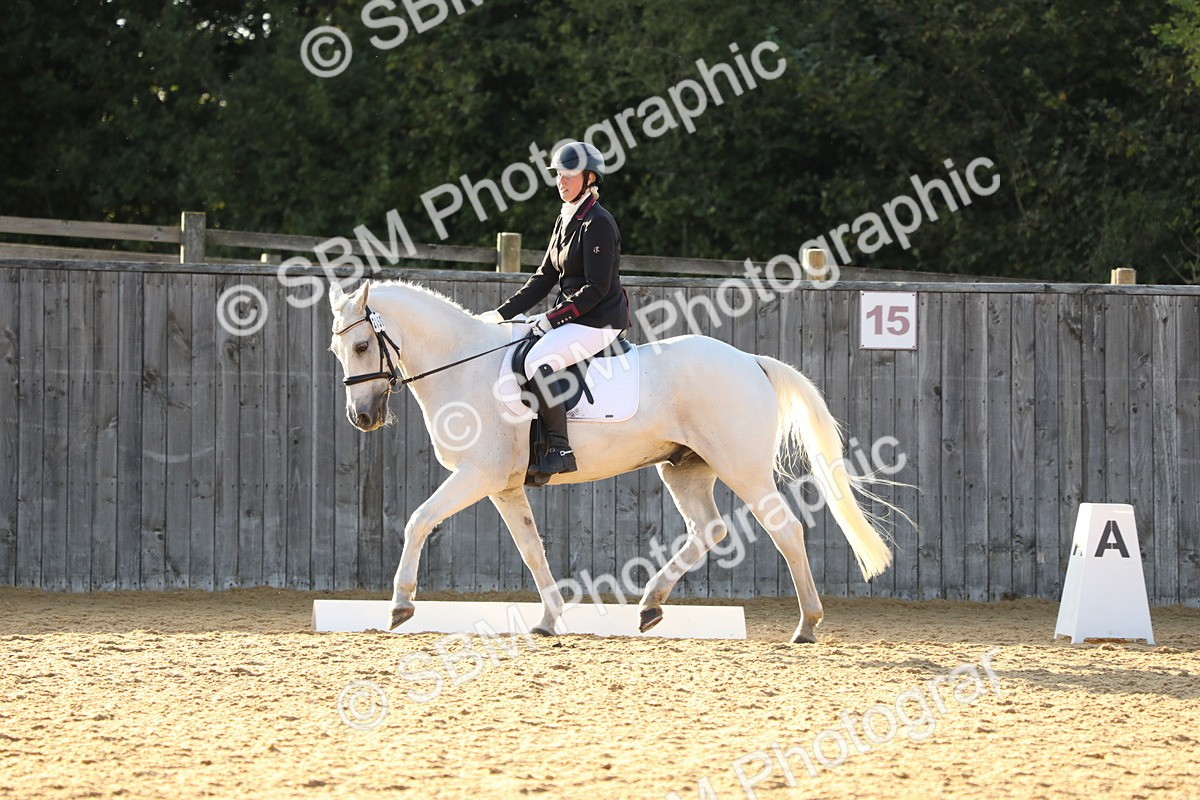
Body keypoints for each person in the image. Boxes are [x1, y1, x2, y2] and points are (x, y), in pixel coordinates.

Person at [478, 141, 630, 480]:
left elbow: (596, 289)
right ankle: (533, 443)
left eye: (568, 175)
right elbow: (543, 277)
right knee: (517, 345)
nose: (560, 181)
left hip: (599, 320)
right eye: (558, 174)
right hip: (576, 316)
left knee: (537, 360)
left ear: (589, 177)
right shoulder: (565, 219)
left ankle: (559, 449)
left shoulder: (598, 223)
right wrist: (499, 316)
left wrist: (551, 319)